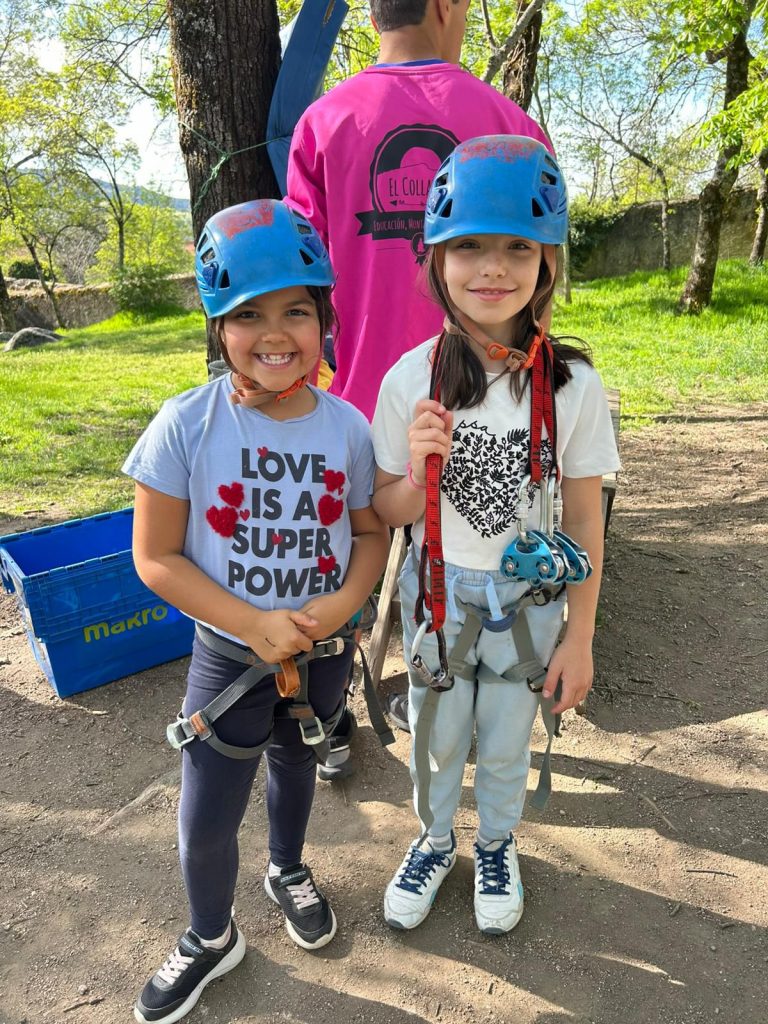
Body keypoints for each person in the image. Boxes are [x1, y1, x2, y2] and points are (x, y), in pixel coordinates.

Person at [123, 199, 389, 1024]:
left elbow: (369, 531)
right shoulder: (186, 425)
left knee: (298, 764)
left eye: (296, 311)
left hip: (322, 654)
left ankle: (286, 868)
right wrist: (250, 624)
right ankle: (210, 935)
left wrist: (342, 605)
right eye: (247, 314)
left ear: (324, 319)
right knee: (206, 812)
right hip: (229, 659)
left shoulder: (347, 428)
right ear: (218, 326)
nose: (275, 334)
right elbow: (155, 556)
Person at [286, 0, 552, 755]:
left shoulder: (323, 123)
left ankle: (325, 714)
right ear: (445, 5)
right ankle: (486, 706)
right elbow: (540, 272)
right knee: (485, 559)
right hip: (488, 400)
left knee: (339, 564)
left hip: (360, 404)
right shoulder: (509, 123)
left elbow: (304, 285)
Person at [371, 136, 620, 935]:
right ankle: (434, 839)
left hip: (530, 605)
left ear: (548, 261)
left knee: (509, 741)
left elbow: (584, 518)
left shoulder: (573, 385)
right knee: (437, 737)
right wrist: (416, 471)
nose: (493, 268)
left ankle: (496, 844)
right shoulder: (410, 380)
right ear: (437, 259)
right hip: (440, 599)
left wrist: (580, 638)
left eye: (518, 247)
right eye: (470, 246)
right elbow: (388, 512)